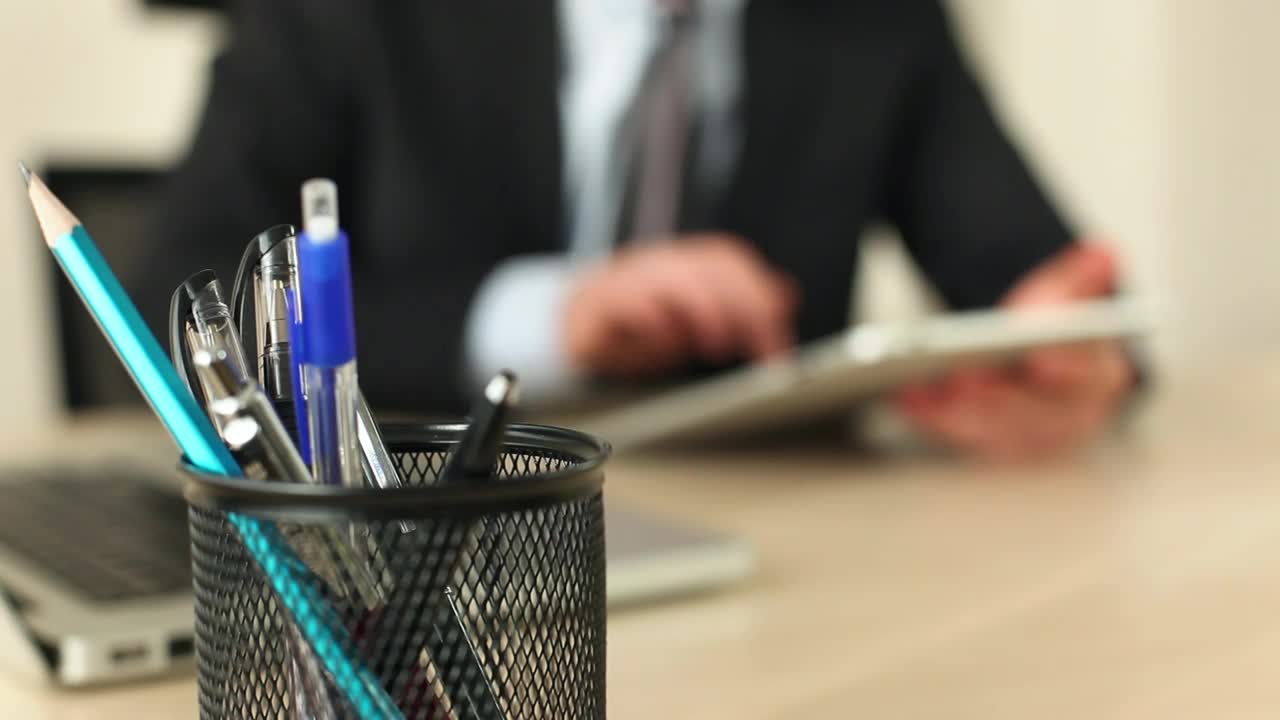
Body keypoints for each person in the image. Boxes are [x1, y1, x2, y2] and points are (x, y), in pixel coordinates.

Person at [133, 0, 1135, 459]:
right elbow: (178, 285)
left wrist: (1075, 365)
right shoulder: (338, 16)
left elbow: (1052, 290)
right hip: (426, 527)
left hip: (789, 558)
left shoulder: (879, 21)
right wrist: (548, 317)